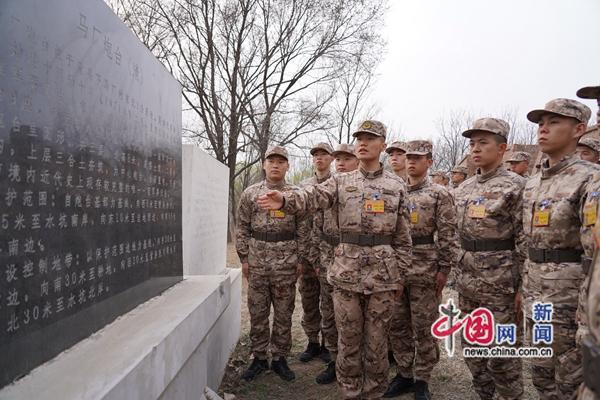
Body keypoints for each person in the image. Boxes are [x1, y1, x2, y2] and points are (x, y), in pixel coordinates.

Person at [256, 120, 412, 399]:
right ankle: (350, 392)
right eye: (359, 138)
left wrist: (399, 273)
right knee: (348, 340)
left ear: (383, 146)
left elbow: (402, 236)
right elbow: (312, 196)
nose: (362, 143)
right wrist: (285, 200)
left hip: (383, 277)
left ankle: (374, 392)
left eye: (370, 138)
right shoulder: (340, 181)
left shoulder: (396, 185)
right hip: (346, 274)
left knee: (376, 344)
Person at [521, 98, 597, 399]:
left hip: (568, 297)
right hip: (534, 290)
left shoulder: (589, 177)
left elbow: (594, 253)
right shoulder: (533, 182)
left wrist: (585, 313)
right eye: (541, 123)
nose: (543, 129)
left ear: (578, 129)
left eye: (553, 122)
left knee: (569, 376)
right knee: (540, 373)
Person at [454, 117, 525, 400]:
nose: (475, 149)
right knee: (472, 347)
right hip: (468, 284)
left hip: (501, 285)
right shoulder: (464, 188)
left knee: (503, 354)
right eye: (472, 143)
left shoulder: (517, 186)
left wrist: (522, 287)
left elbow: (524, 240)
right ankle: (483, 394)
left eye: (483, 143)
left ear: (502, 148)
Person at [385, 140, 459, 400]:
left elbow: (449, 234)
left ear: (429, 161)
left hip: (426, 267)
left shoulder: (439, 193)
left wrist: (444, 268)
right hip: (395, 267)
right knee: (397, 323)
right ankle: (404, 373)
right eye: (409, 157)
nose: (412, 161)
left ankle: (422, 378)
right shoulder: (393, 190)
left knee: (423, 325)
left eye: (419, 157)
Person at [236, 146, 306, 381]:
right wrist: (244, 258)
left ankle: (279, 358)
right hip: (257, 262)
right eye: (271, 161)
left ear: (287, 166)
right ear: (264, 165)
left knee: (285, 312)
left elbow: (304, 230)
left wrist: (300, 259)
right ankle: (258, 357)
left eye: (281, 161)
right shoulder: (250, 193)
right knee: (257, 311)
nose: (275, 165)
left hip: (287, 262)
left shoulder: (294, 195)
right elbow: (243, 227)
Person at [312, 143, 359, 385]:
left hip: (353, 261)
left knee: (351, 316)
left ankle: (355, 362)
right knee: (328, 312)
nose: (341, 162)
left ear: (357, 161)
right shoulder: (326, 189)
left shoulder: (361, 189)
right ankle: (333, 359)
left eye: (347, 158)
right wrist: (319, 260)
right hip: (328, 258)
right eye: (338, 158)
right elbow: (316, 228)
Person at [298, 142, 334, 363]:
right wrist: (304, 254)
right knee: (309, 300)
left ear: (331, 158)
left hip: (329, 256)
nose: (319, 158)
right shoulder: (303, 186)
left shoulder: (338, 184)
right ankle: (312, 342)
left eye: (323, 155)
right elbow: (299, 222)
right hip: (307, 254)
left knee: (329, 303)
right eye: (315, 155)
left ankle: (329, 346)